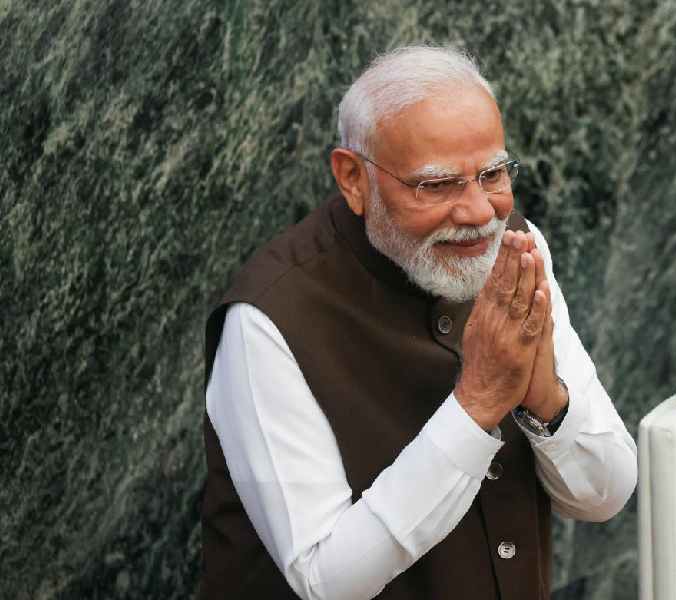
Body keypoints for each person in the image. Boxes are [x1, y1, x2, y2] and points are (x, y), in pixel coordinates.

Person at [199, 45, 637, 600]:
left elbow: (605, 494)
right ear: (353, 178)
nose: (479, 212)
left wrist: (543, 397)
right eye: (436, 185)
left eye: (493, 173)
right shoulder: (266, 322)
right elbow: (324, 578)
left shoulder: (513, 251)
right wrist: (478, 403)